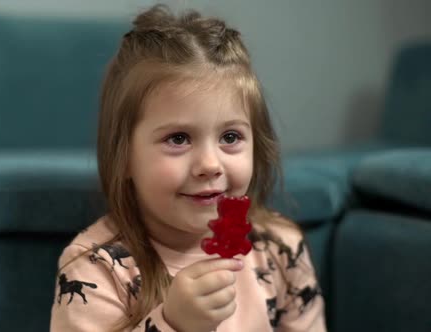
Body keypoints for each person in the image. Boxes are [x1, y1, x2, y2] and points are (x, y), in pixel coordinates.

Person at [50, 4, 326, 332]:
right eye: (178, 138)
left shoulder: (281, 248)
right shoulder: (96, 267)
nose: (210, 165)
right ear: (124, 157)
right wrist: (173, 324)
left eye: (230, 136)